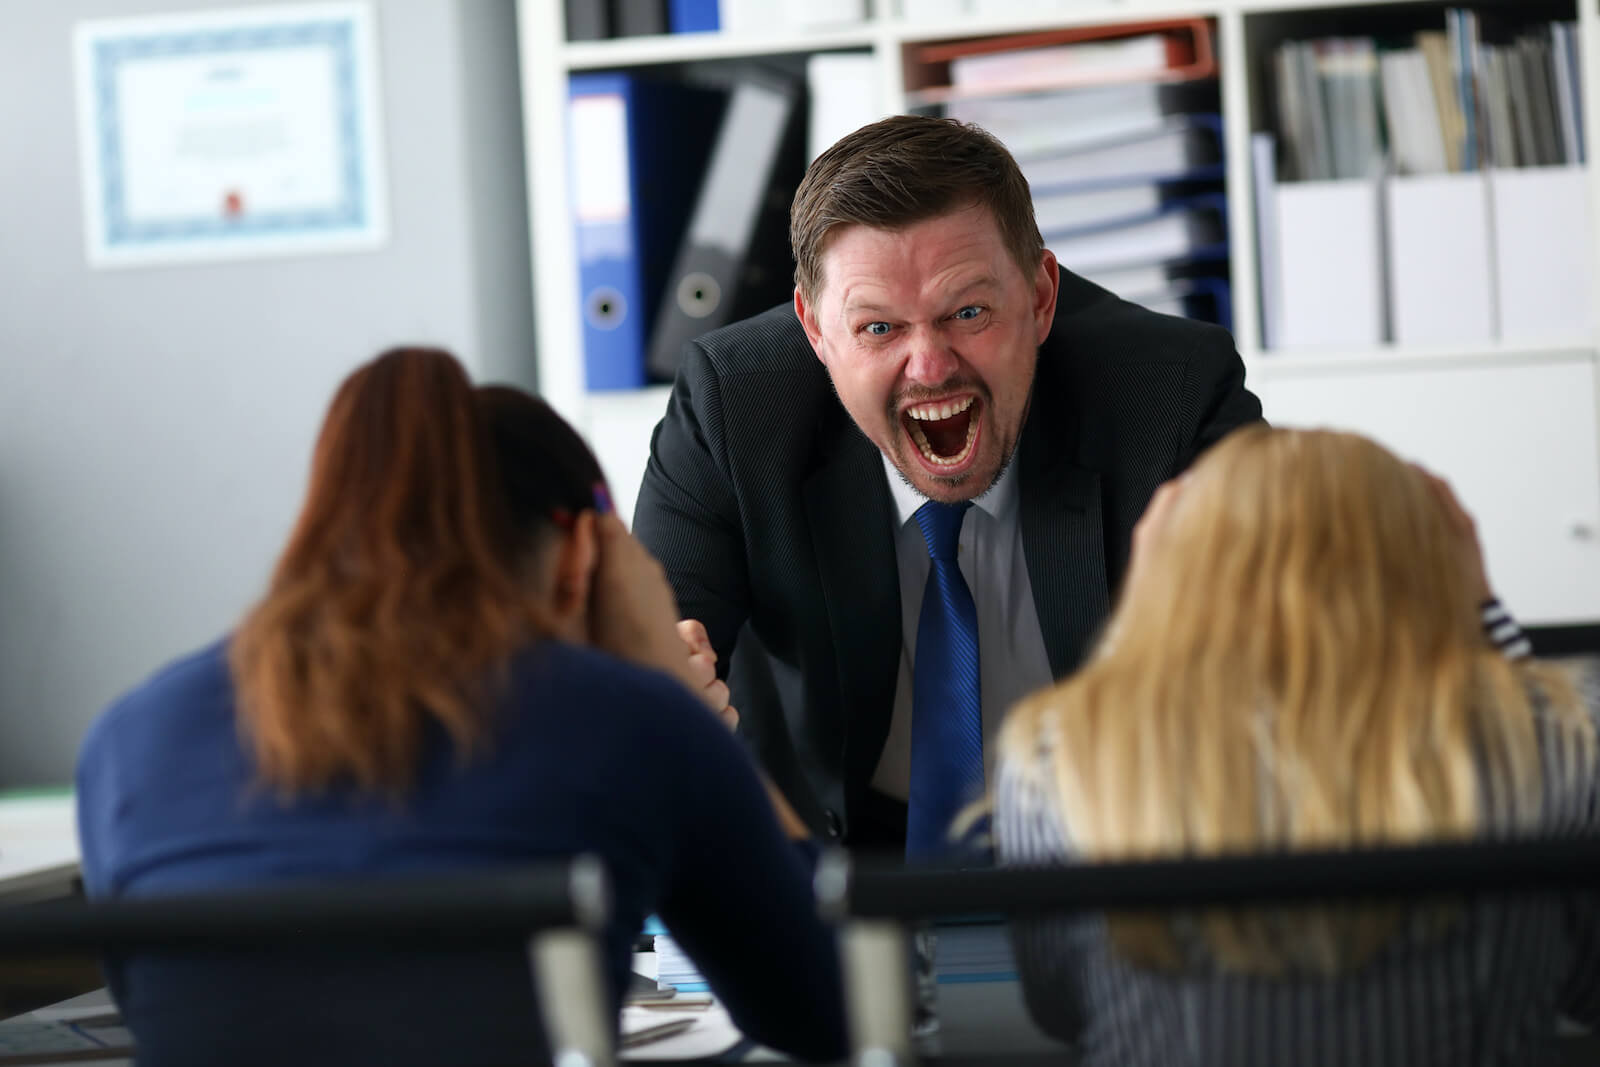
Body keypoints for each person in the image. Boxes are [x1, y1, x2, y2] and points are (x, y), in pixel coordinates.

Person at [74, 349, 845, 1066]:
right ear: (581, 553)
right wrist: (669, 684)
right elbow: (827, 1008)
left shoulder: (126, 738)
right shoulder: (634, 721)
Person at [633, 114, 1263, 854]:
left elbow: (1293, 645)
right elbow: (652, 649)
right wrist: (662, 687)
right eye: (878, 329)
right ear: (815, 329)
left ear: (1039, 296)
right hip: (838, 854)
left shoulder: (1172, 394)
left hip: (1114, 847)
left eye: (968, 312)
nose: (930, 365)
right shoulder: (734, 405)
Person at [994, 425, 1600, 1066]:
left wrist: (1141, 608)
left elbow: (1059, 1006)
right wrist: (1483, 609)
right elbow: (1589, 987)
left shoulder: (1053, 750)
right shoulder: (1558, 731)